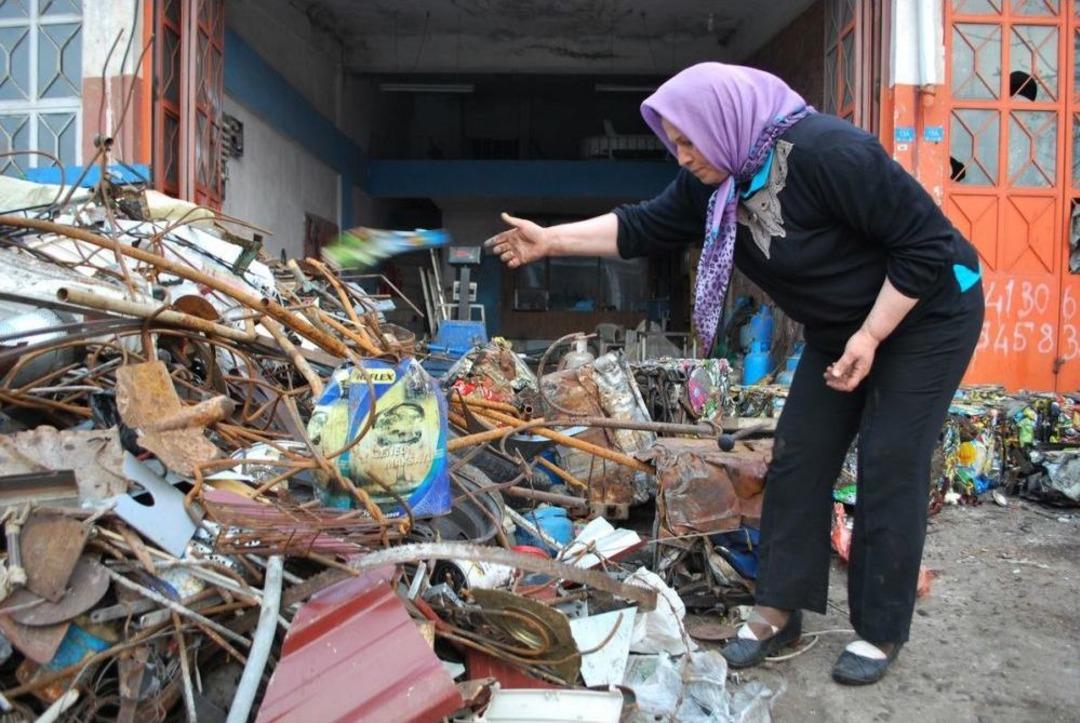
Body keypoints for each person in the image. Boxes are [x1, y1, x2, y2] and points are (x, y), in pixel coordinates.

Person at [486, 63, 984, 685]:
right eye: (675, 142)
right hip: (841, 326)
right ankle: (778, 608)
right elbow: (640, 226)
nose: (683, 155)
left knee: (888, 460)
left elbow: (926, 243)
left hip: (927, 311)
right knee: (798, 458)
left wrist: (872, 335)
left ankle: (880, 629)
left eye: (690, 140)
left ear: (726, 123)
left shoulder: (831, 154)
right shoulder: (714, 183)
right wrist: (550, 241)